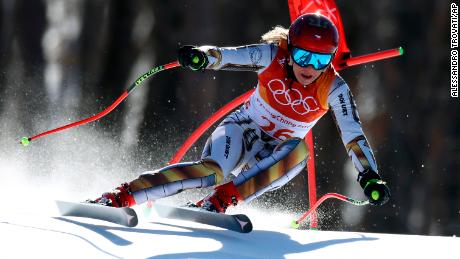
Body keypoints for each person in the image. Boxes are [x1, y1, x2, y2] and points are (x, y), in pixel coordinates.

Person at [89, 13, 390, 213]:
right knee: (212, 172)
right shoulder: (273, 55)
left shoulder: (334, 88)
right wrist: (201, 57)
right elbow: (227, 54)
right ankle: (120, 196)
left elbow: (353, 135)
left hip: (273, 156)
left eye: (320, 59)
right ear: (291, 46)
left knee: (298, 151)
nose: (309, 67)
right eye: (302, 55)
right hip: (241, 131)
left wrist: (369, 176)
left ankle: (217, 203)